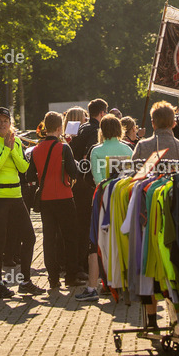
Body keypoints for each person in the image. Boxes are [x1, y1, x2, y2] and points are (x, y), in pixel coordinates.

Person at [0, 107, 44, 298]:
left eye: (5, 121)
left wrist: (13, 149)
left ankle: (25, 281)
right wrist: (6, 150)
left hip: (15, 195)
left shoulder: (15, 141)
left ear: (10, 123)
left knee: (30, 237)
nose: (2, 124)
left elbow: (23, 167)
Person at [75, 116, 134, 301]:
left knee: (97, 241)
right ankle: (121, 281)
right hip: (123, 199)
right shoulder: (128, 149)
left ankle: (94, 286)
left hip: (102, 199)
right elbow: (131, 175)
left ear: (102, 130)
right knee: (121, 239)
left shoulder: (96, 150)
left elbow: (97, 179)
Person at [32, 111, 83, 291]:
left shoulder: (36, 149)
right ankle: (71, 275)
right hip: (64, 195)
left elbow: (30, 174)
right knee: (70, 237)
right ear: (60, 128)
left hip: (46, 198)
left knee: (49, 239)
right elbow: (74, 172)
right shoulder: (64, 148)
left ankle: (53, 278)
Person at [71, 98, 106, 273]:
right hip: (87, 183)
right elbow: (92, 158)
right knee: (87, 226)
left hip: (77, 181)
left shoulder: (81, 128)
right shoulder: (94, 131)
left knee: (80, 224)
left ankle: (78, 263)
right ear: (102, 113)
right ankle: (83, 264)